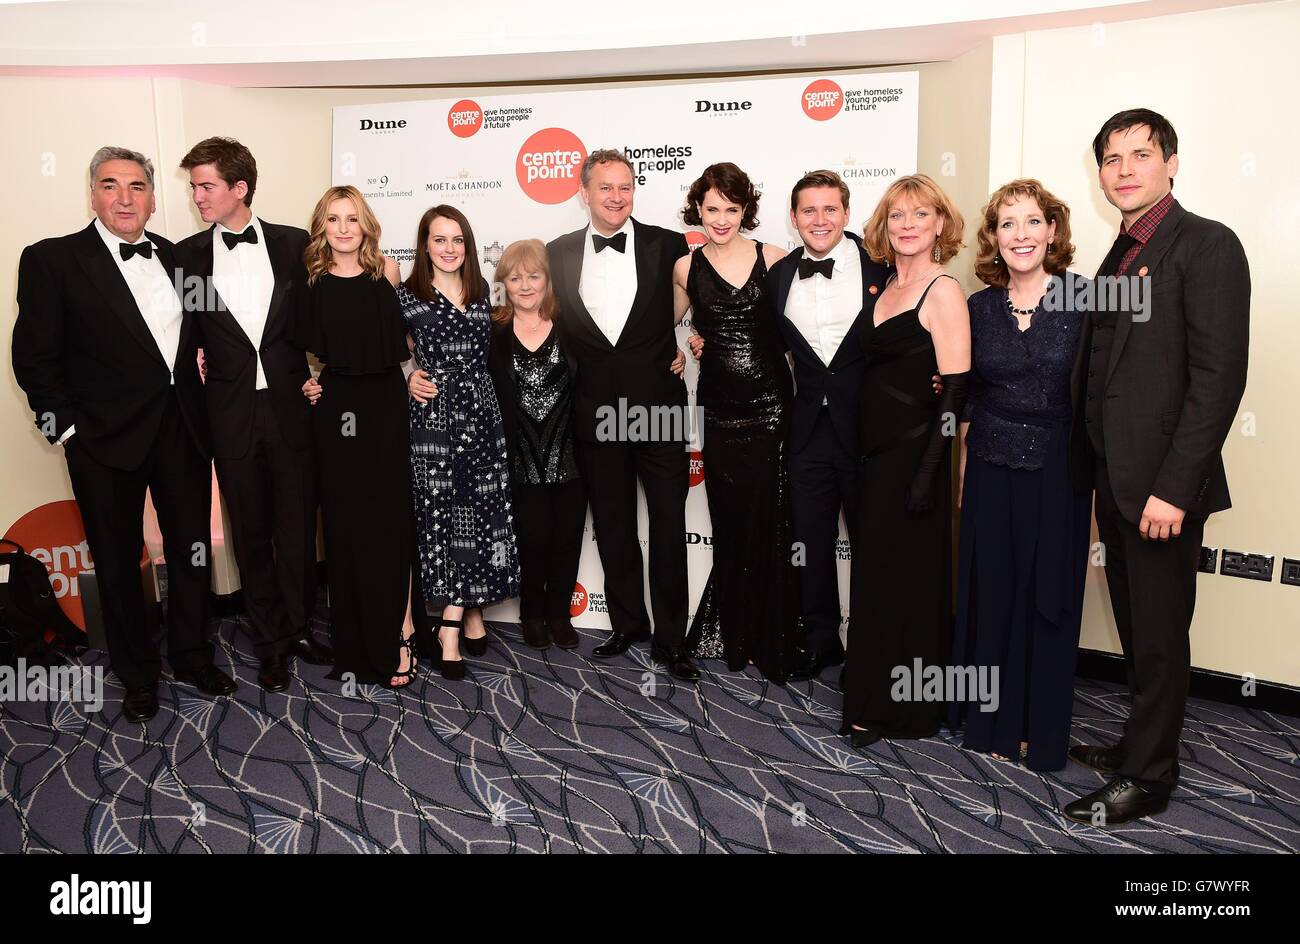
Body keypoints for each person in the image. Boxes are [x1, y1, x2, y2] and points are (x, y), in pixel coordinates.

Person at [1063, 110, 1249, 825]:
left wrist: (1175, 489)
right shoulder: (1122, 250)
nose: (1125, 170)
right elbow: (1106, 368)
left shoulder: (1206, 246)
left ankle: (1150, 777)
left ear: (1171, 162)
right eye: (1112, 159)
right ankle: (1138, 745)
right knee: (1139, 628)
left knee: (1162, 632)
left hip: (1163, 488)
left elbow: (1217, 380)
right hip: (1116, 480)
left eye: (1140, 155)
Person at [12, 146, 236, 723]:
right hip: (102, 440)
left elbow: (203, 329)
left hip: (182, 429)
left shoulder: (179, 258)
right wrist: (64, 430)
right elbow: (33, 358)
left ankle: (190, 654)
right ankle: (136, 673)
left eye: (137, 187)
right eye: (110, 186)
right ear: (92, 195)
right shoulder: (52, 260)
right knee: (115, 561)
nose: (124, 198)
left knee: (191, 553)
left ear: (153, 197)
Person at [175, 137, 330, 694]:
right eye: (193, 186)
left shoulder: (294, 245)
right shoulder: (187, 256)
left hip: (291, 409)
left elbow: (322, 322)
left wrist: (327, 375)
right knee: (251, 533)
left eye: (206, 185)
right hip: (230, 413)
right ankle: (269, 642)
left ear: (240, 188)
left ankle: (298, 628)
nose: (197, 196)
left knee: (297, 531)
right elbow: (185, 327)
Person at [948, 179, 1090, 770]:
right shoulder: (977, 306)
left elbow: (1102, 395)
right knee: (993, 589)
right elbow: (963, 391)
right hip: (987, 466)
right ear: (994, 237)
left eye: (1033, 222)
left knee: (1046, 592)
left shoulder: (1086, 299)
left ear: (1052, 231)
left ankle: (1037, 722)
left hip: (1059, 466)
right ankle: (985, 719)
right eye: (1008, 224)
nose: (1022, 235)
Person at [546, 150, 699, 681]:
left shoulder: (668, 244)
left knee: (668, 524)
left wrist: (686, 339)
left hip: (658, 408)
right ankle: (628, 623)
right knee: (612, 527)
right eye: (606, 187)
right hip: (593, 412)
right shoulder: (556, 253)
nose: (617, 196)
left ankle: (673, 640)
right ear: (583, 192)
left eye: (626, 186)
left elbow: (710, 297)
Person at [840, 174, 970, 749]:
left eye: (921, 215)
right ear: (883, 226)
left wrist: (927, 471)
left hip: (917, 458)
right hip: (875, 457)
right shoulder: (887, 284)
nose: (909, 225)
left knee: (910, 585)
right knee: (878, 580)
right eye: (898, 216)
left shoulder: (942, 290)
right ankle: (873, 692)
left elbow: (957, 390)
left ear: (941, 223)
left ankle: (905, 710)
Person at [674, 163, 799, 684]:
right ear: (697, 210)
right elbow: (659, 327)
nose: (722, 219)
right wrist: (682, 348)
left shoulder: (775, 259)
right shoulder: (685, 267)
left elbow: (808, 333)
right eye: (712, 208)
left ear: (746, 209)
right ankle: (733, 634)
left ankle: (771, 638)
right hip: (720, 409)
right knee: (727, 522)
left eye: (732, 208)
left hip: (772, 405)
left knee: (771, 519)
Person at [764, 170, 890, 683]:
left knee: (873, 543)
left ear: (846, 213)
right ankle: (821, 642)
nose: (820, 219)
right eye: (809, 211)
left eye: (830, 209)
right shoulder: (777, 277)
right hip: (806, 433)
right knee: (810, 543)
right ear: (793, 220)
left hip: (869, 430)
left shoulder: (882, 266)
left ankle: (872, 645)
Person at [297, 186, 417, 688]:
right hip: (337, 406)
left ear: (365, 224)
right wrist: (305, 381)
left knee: (389, 522)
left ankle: (402, 633)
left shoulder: (386, 272)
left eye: (352, 219)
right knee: (345, 526)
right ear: (321, 227)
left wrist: (415, 376)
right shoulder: (314, 283)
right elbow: (305, 351)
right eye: (333, 219)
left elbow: (408, 341)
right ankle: (353, 643)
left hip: (386, 403)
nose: (343, 228)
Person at [400, 205, 519, 680]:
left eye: (457, 240)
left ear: (467, 246)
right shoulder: (406, 297)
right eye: (439, 239)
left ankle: (466, 611)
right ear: (425, 245)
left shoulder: (480, 293)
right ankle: (452, 623)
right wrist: (408, 378)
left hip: (481, 415)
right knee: (444, 515)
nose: (448, 248)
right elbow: (385, 354)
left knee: (481, 513)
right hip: (434, 419)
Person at [486, 239, 584, 651]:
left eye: (533, 276)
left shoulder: (572, 326)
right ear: (504, 283)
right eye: (515, 277)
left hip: (572, 456)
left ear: (548, 280)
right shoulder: (493, 330)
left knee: (566, 540)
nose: (525, 285)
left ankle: (559, 615)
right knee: (531, 541)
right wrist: (412, 376)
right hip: (519, 459)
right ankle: (531, 615)